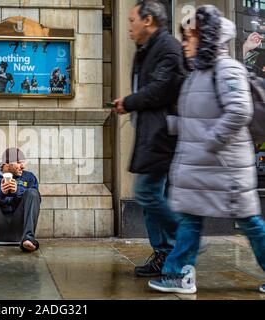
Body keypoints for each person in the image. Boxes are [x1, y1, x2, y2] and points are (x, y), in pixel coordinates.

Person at [149, 6, 265, 294]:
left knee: (249, 222)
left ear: (207, 37)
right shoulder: (199, 73)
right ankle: (178, 274)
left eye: (190, 37)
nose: (185, 43)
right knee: (190, 218)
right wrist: (172, 125)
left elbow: (239, 111)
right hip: (204, 166)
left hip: (226, 167)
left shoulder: (228, 69)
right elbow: (199, 116)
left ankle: (178, 274)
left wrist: (211, 141)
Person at [112, 0, 185, 277]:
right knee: (152, 195)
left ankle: (183, 243)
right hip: (151, 133)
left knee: (147, 192)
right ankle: (166, 253)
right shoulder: (148, 49)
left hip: (163, 136)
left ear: (148, 21)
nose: (129, 26)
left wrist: (129, 102)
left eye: (132, 20)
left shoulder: (168, 48)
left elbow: (161, 89)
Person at [0, 148, 41, 255]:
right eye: (19, 163)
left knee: (33, 193)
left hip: (19, 224)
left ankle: (28, 239)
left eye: (23, 163)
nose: (22, 166)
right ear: (6, 164)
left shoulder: (29, 177)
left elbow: (36, 201)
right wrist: (0, 192)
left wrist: (18, 191)